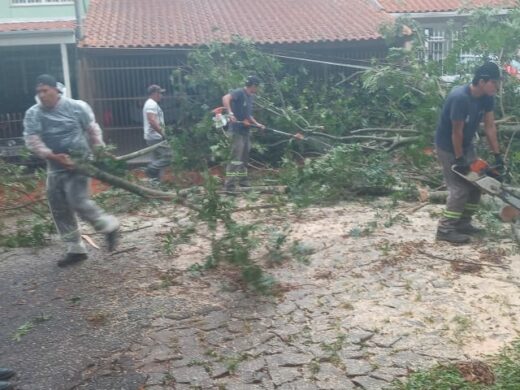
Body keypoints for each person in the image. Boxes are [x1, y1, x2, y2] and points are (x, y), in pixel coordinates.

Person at [23, 74, 119, 267]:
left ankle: (109, 226)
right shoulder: (34, 113)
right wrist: (52, 156)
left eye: (45, 90)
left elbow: (92, 129)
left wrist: (100, 150)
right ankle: (75, 249)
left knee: (77, 201)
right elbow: (32, 140)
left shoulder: (77, 107)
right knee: (58, 206)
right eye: (38, 92)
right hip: (55, 165)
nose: (42, 95)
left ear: (56, 89)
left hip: (80, 162)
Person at [435, 62, 504, 243]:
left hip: (467, 146)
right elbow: (456, 132)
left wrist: (498, 156)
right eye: (494, 83)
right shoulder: (460, 98)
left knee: (477, 184)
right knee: (459, 189)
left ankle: (463, 223)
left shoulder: (487, 97)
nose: (497, 87)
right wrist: (459, 159)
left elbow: (489, 127)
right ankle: (445, 229)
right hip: (448, 147)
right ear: (482, 81)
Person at [222, 75, 265, 191]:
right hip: (236, 131)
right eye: (257, 87)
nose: (258, 89)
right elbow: (225, 98)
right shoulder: (239, 92)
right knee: (236, 159)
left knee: (244, 159)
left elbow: (248, 116)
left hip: (246, 132)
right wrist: (230, 113)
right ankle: (229, 185)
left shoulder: (250, 97)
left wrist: (257, 124)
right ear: (253, 86)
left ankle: (243, 182)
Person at [142, 84, 172, 183]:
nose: (161, 96)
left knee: (156, 159)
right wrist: (162, 133)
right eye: (160, 93)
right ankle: (151, 168)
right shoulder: (151, 104)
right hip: (155, 137)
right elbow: (151, 120)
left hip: (151, 137)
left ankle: (155, 183)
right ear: (155, 93)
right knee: (170, 156)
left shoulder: (150, 103)